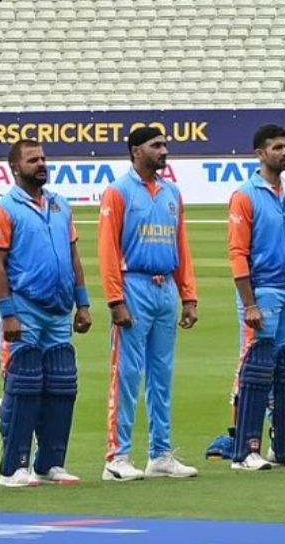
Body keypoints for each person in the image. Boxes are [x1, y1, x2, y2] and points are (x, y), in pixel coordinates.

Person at [0, 140, 92, 488]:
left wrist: (83, 303)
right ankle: (12, 469)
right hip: (24, 309)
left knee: (62, 385)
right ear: (15, 168)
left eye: (44, 158)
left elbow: (73, 257)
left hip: (59, 311)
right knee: (25, 384)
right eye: (33, 160)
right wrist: (8, 313)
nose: (42, 164)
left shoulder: (60, 205)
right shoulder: (3, 209)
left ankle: (50, 463)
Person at [98, 126, 199, 480]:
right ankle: (117, 457)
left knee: (162, 376)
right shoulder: (118, 192)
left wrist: (189, 295)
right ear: (136, 151)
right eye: (156, 145)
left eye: (165, 144)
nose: (164, 150)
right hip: (134, 285)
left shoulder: (172, 193)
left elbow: (181, 246)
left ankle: (160, 454)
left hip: (165, 287)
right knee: (127, 374)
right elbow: (108, 249)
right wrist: (115, 299)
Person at [225, 125, 285, 470]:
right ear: (260, 154)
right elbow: (238, 252)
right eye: (277, 147)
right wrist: (249, 303)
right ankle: (244, 451)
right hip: (263, 289)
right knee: (258, 368)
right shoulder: (245, 195)